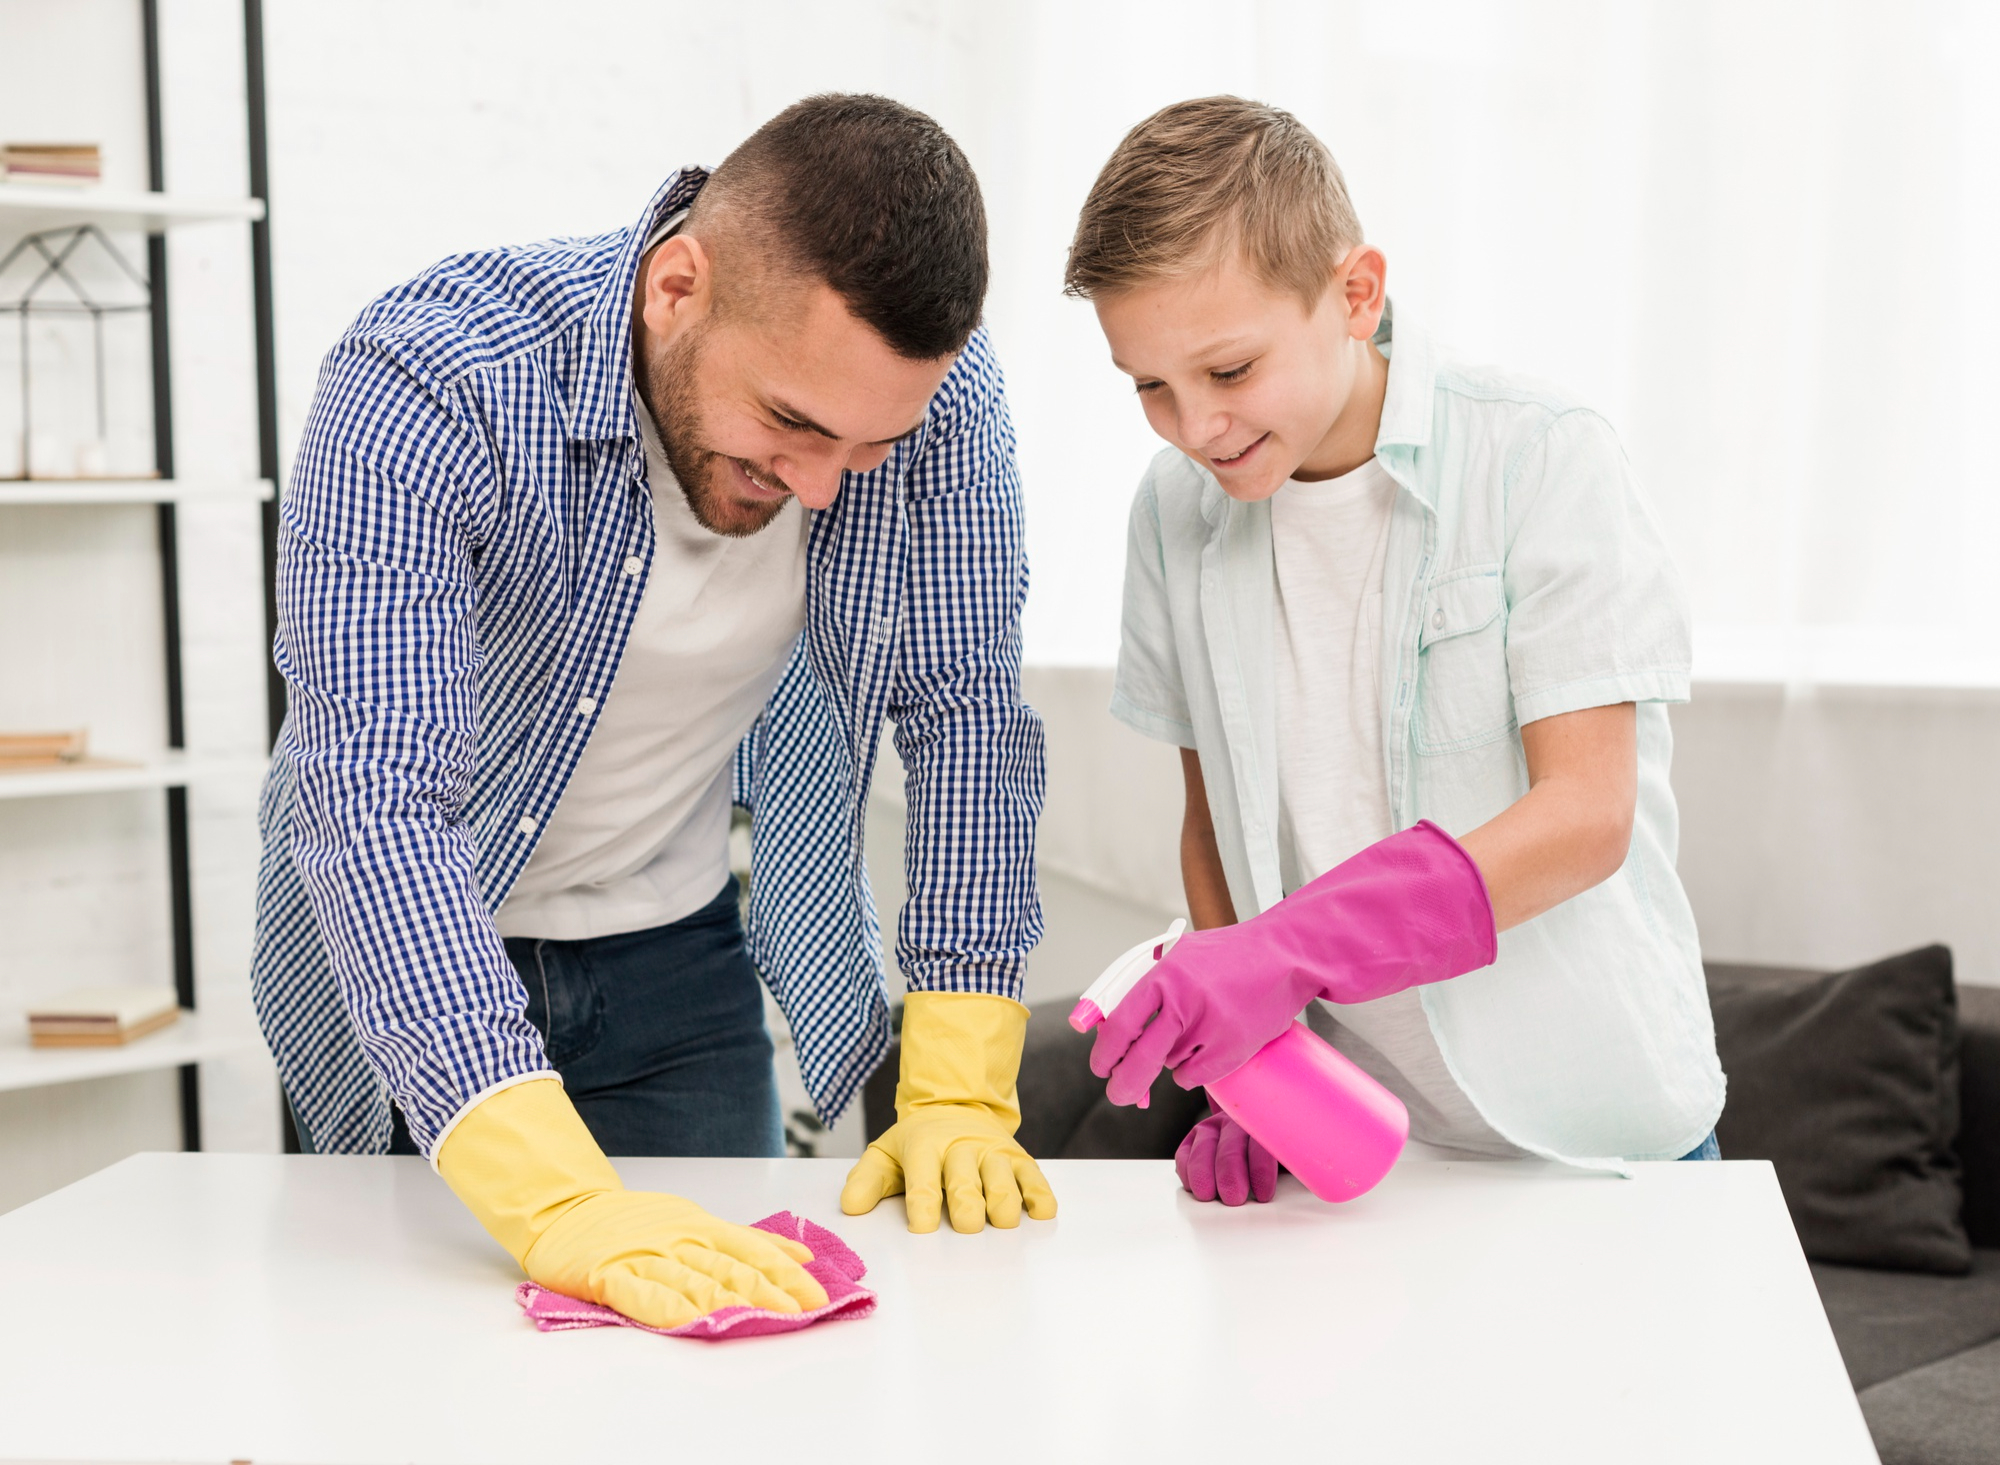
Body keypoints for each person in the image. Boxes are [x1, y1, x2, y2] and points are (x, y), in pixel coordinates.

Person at [252, 94, 1056, 1330]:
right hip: (410, 963)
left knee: (729, 1378)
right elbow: (372, 798)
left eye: (868, 447)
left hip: (674, 964)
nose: (823, 486)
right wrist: (554, 1197)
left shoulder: (919, 398)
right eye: (788, 423)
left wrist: (954, 1065)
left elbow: (962, 715)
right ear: (676, 285)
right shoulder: (430, 384)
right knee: (408, 1372)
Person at [1064, 97, 1726, 1205]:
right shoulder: (1173, 512)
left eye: (1227, 371)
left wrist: (1291, 957)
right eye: (1148, 387)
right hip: (1364, 1151)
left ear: (1354, 294)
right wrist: (1250, 1069)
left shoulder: (1538, 457)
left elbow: (1583, 818)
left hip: (1601, 1146)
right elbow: (1212, 822)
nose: (1194, 428)